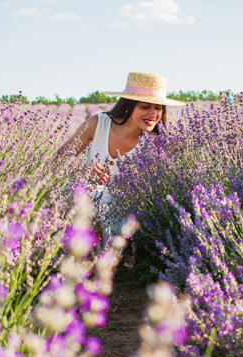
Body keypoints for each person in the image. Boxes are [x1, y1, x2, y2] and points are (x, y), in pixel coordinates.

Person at [58, 71, 185, 266]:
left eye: (158, 108)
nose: (153, 114)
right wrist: (81, 170)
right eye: (145, 106)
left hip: (126, 211)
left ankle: (112, 251)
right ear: (128, 104)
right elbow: (59, 159)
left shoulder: (156, 142)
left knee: (109, 198)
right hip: (84, 199)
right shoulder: (98, 124)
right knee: (75, 190)